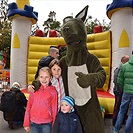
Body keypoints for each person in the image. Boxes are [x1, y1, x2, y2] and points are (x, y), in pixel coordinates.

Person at [23, 67, 58, 133]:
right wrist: (26, 123)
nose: (44, 79)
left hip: (47, 123)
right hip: (33, 122)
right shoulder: (34, 90)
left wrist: (54, 124)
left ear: (50, 78)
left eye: (46, 77)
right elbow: (28, 107)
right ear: (38, 78)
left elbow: (54, 109)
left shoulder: (53, 92)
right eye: (41, 77)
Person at [113, 52, 133, 133]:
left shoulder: (124, 66)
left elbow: (119, 81)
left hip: (126, 92)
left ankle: (116, 129)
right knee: (131, 113)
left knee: (122, 110)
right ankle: (127, 131)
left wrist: (123, 88)